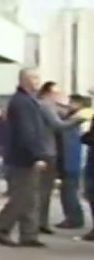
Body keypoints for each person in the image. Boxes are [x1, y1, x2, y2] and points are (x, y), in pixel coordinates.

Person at [0, 68, 53, 248]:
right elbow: (27, 133)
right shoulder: (22, 102)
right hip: (22, 157)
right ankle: (0, 229)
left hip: (26, 156)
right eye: (34, 78)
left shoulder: (28, 101)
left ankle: (28, 235)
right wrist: (38, 155)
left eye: (38, 78)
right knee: (21, 197)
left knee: (31, 197)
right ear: (24, 80)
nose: (38, 81)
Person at [35, 81, 82, 234]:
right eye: (57, 93)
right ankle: (39, 222)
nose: (60, 96)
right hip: (51, 153)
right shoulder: (46, 106)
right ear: (48, 93)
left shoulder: (47, 107)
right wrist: (77, 119)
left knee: (48, 190)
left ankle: (41, 221)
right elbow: (58, 125)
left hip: (58, 155)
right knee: (44, 190)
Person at [55, 94, 90, 230]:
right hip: (68, 159)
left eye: (72, 103)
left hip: (74, 161)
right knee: (67, 190)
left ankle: (74, 218)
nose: (69, 105)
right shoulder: (73, 118)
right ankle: (72, 217)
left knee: (70, 191)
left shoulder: (80, 117)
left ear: (79, 104)